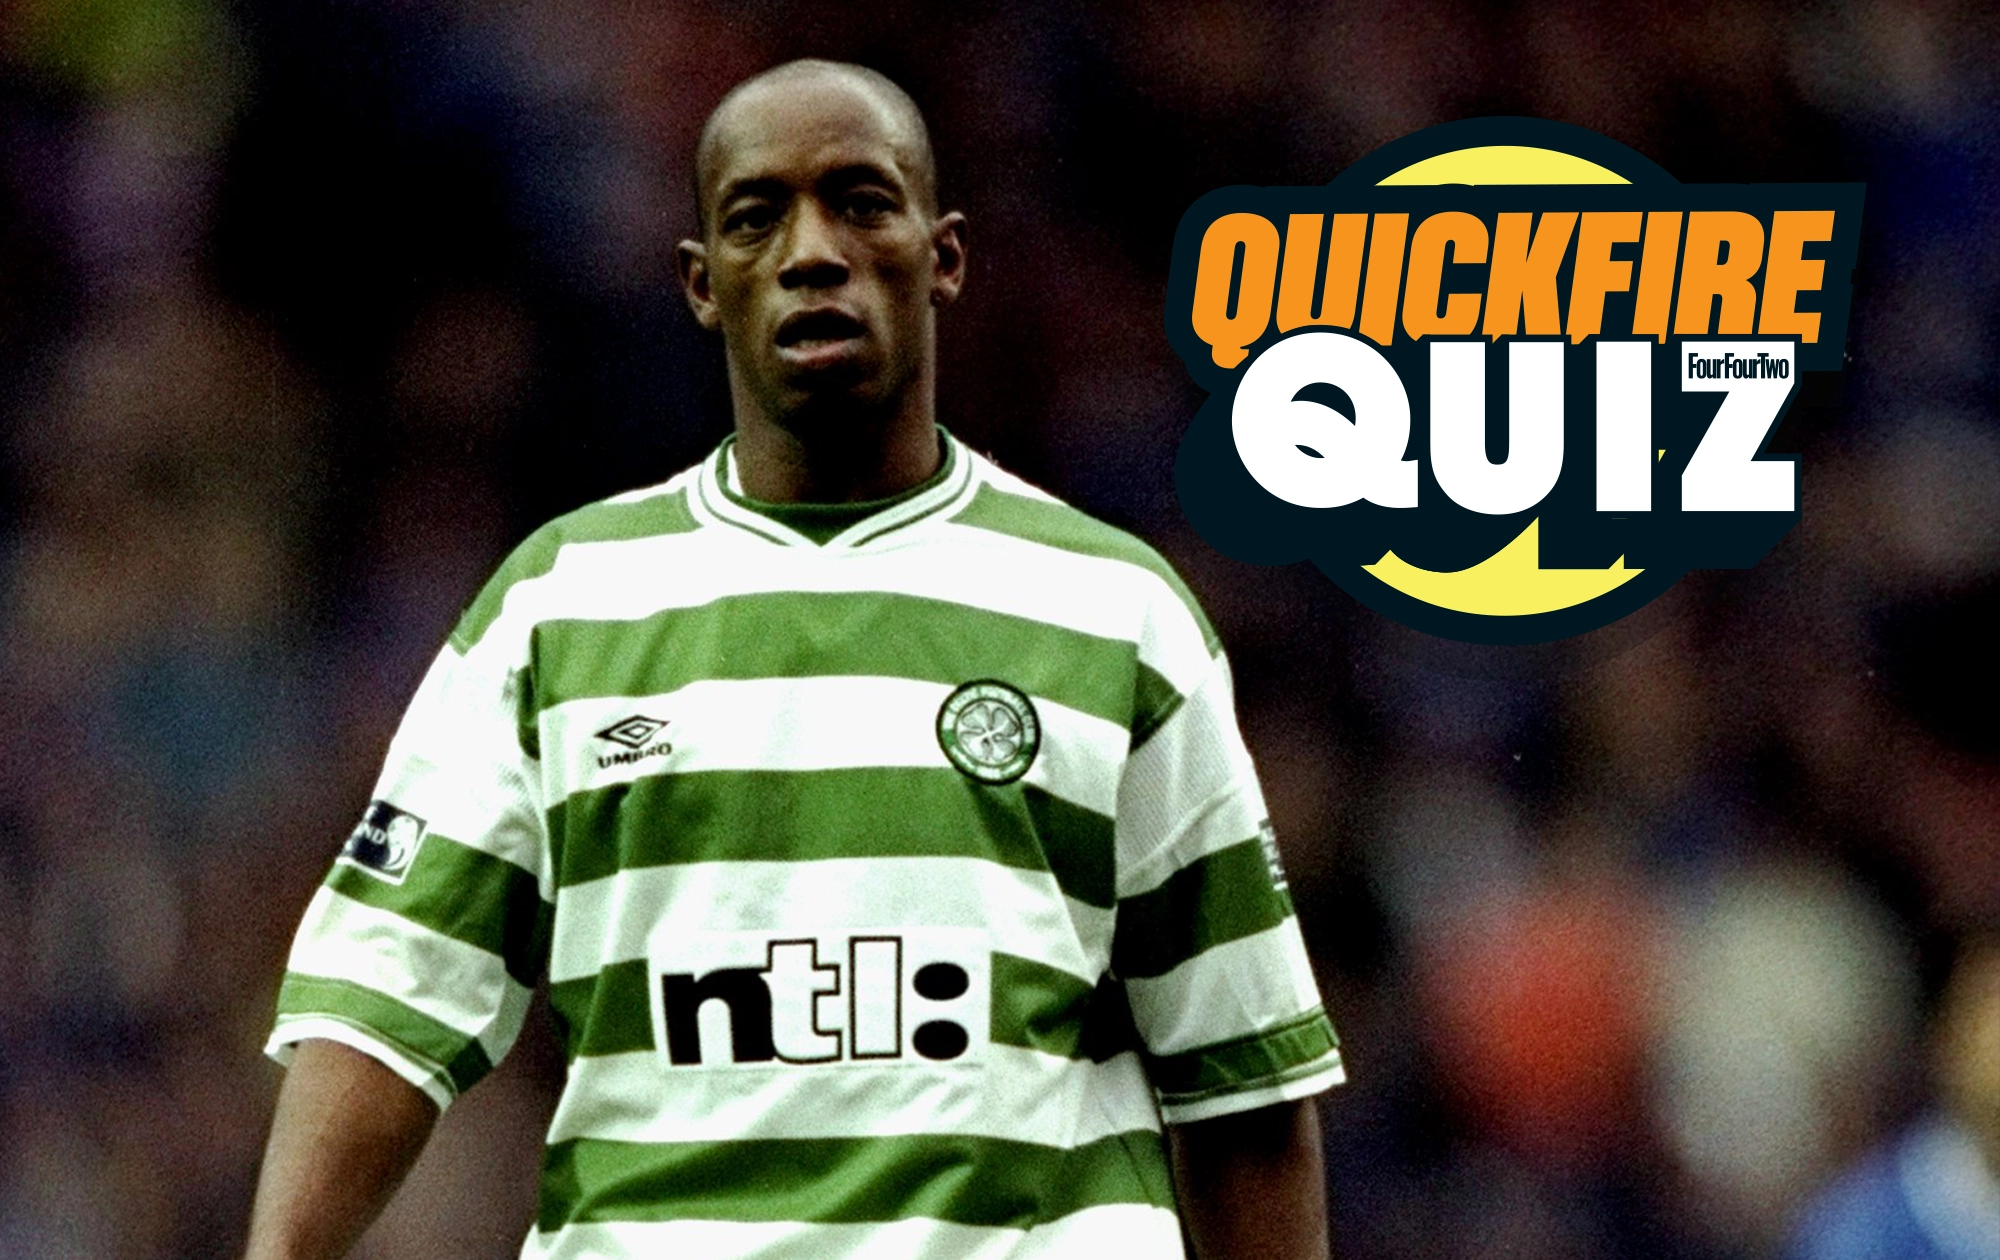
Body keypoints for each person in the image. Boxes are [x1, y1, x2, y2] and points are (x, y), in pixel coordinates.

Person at [244, 59, 1343, 1260]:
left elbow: (1244, 1087)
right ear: (701, 284)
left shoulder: (1114, 612)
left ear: (943, 256)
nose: (812, 253)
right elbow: (387, 1006)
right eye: (756, 217)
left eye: (861, 204)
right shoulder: (560, 608)